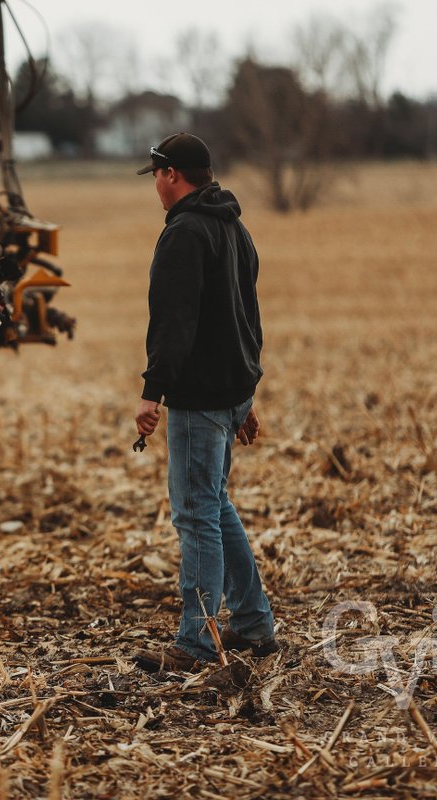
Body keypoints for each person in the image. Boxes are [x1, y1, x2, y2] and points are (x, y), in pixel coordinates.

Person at [127, 133, 277, 673]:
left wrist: (153, 391)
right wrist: (247, 392)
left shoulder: (185, 235)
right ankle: (255, 624)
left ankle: (196, 641)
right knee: (215, 505)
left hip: (201, 399)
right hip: (230, 392)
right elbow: (249, 319)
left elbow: (174, 324)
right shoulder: (234, 227)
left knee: (195, 515)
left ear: (172, 175)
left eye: (158, 178)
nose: (157, 190)